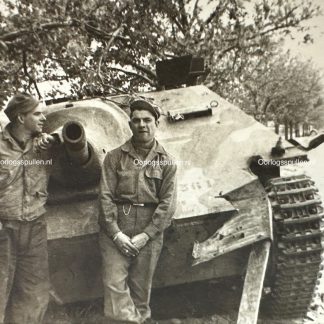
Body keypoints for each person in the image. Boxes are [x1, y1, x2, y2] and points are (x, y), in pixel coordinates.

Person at [99, 99, 177, 324]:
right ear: (130, 124)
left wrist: (147, 235)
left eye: (147, 120)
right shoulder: (114, 157)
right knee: (114, 285)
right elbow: (104, 196)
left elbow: (168, 204)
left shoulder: (167, 162)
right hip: (117, 226)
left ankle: (140, 318)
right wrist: (115, 233)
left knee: (141, 289)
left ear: (157, 123)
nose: (142, 125)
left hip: (149, 227)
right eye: (136, 121)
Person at [0, 92, 58, 324]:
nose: (43, 118)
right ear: (20, 118)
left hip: (34, 225)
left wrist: (53, 138)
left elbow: (70, 131)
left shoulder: (42, 144)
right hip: (4, 227)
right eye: (37, 114)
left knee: (34, 291)